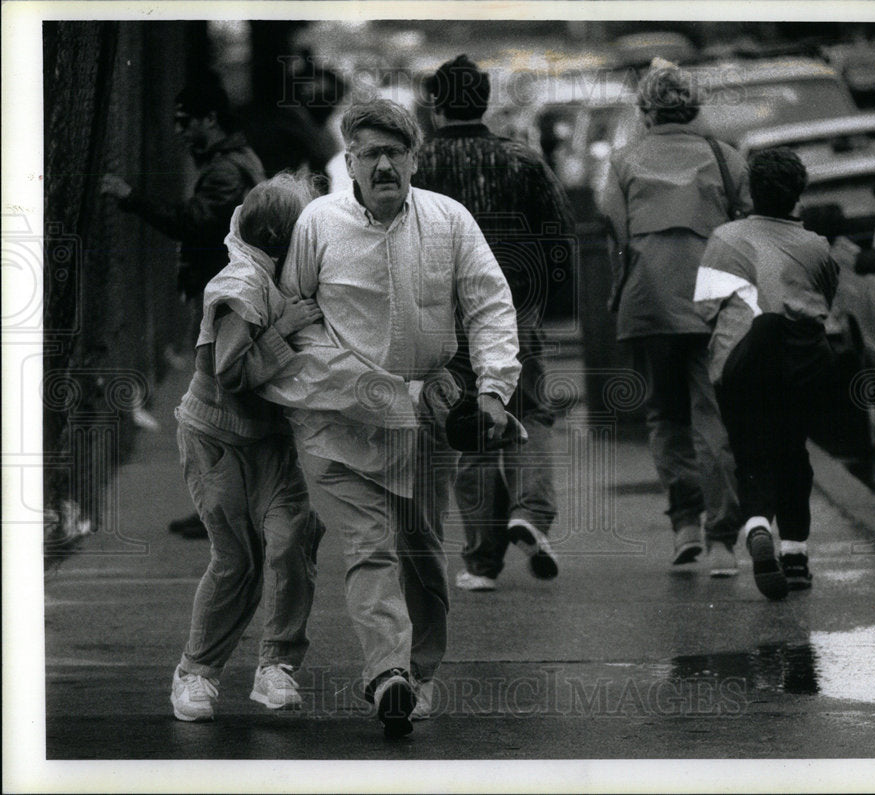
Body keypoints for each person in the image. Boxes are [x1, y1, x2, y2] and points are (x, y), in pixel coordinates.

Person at [279, 99, 522, 737]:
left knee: (420, 551)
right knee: (368, 547)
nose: (384, 164)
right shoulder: (318, 224)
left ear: (414, 158)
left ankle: (419, 672)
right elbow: (294, 309)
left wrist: (494, 390)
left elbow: (490, 303)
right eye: (370, 154)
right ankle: (388, 675)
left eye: (396, 152)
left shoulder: (448, 219)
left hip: (426, 417)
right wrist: (330, 378)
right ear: (350, 163)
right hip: (340, 421)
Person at [412, 54, 574, 592]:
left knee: (468, 428)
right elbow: (559, 233)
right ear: (483, 100)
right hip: (514, 310)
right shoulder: (519, 159)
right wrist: (540, 296)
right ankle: (530, 511)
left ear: (436, 104)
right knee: (527, 408)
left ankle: (482, 561)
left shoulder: (418, 166)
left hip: (441, 314)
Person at [168, 174, 325, 722]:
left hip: (268, 441)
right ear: (284, 238)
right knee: (237, 561)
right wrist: (283, 327)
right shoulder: (242, 284)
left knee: (292, 538)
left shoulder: (275, 275)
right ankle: (196, 673)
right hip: (216, 440)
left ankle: (277, 665)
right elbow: (231, 372)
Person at [598, 59, 748, 577]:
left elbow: (615, 227)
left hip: (649, 303)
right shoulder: (725, 159)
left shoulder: (622, 161)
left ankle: (685, 522)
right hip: (714, 302)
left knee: (665, 415)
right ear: (693, 106)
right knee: (714, 417)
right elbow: (745, 225)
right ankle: (723, 540)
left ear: (645, 110)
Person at [101, 79, 265, 540]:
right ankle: (230, 506)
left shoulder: (224, 172)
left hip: (224, 302)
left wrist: (132, 199)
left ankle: (224, 510)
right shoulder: (237, 160)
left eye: (184, 122)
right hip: (234, 299)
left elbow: (193, 222)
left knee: (216, 411)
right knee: (226, 409)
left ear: (208, 120)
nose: (178, 131)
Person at [694, 148, 839, 600]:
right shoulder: (816, 246)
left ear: (751, 192)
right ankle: (795, 554)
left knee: (750, 453)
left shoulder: (724, 238)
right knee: (792, 452)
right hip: (800, 362)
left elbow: (704, 309)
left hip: (740, 363)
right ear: (798, 194)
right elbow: (825, 302)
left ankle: (756, 523)